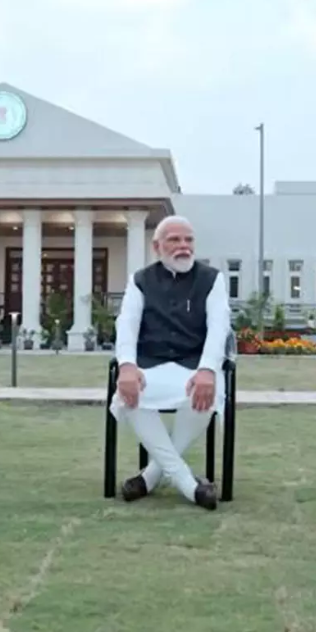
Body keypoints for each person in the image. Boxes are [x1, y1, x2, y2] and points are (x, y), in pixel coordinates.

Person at [110, 215, 230, 511]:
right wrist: (127, 365)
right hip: (151, 365)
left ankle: (150, 477)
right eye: (174, 240)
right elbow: (127, 325)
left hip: (194, 365)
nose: (183, 246)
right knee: (130, 393)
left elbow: (219, 328)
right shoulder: (140, 280)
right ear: (157, 247)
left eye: (188, 239)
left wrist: (207, 369)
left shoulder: (212, 279)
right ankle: (190, 486)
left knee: (205, 393)